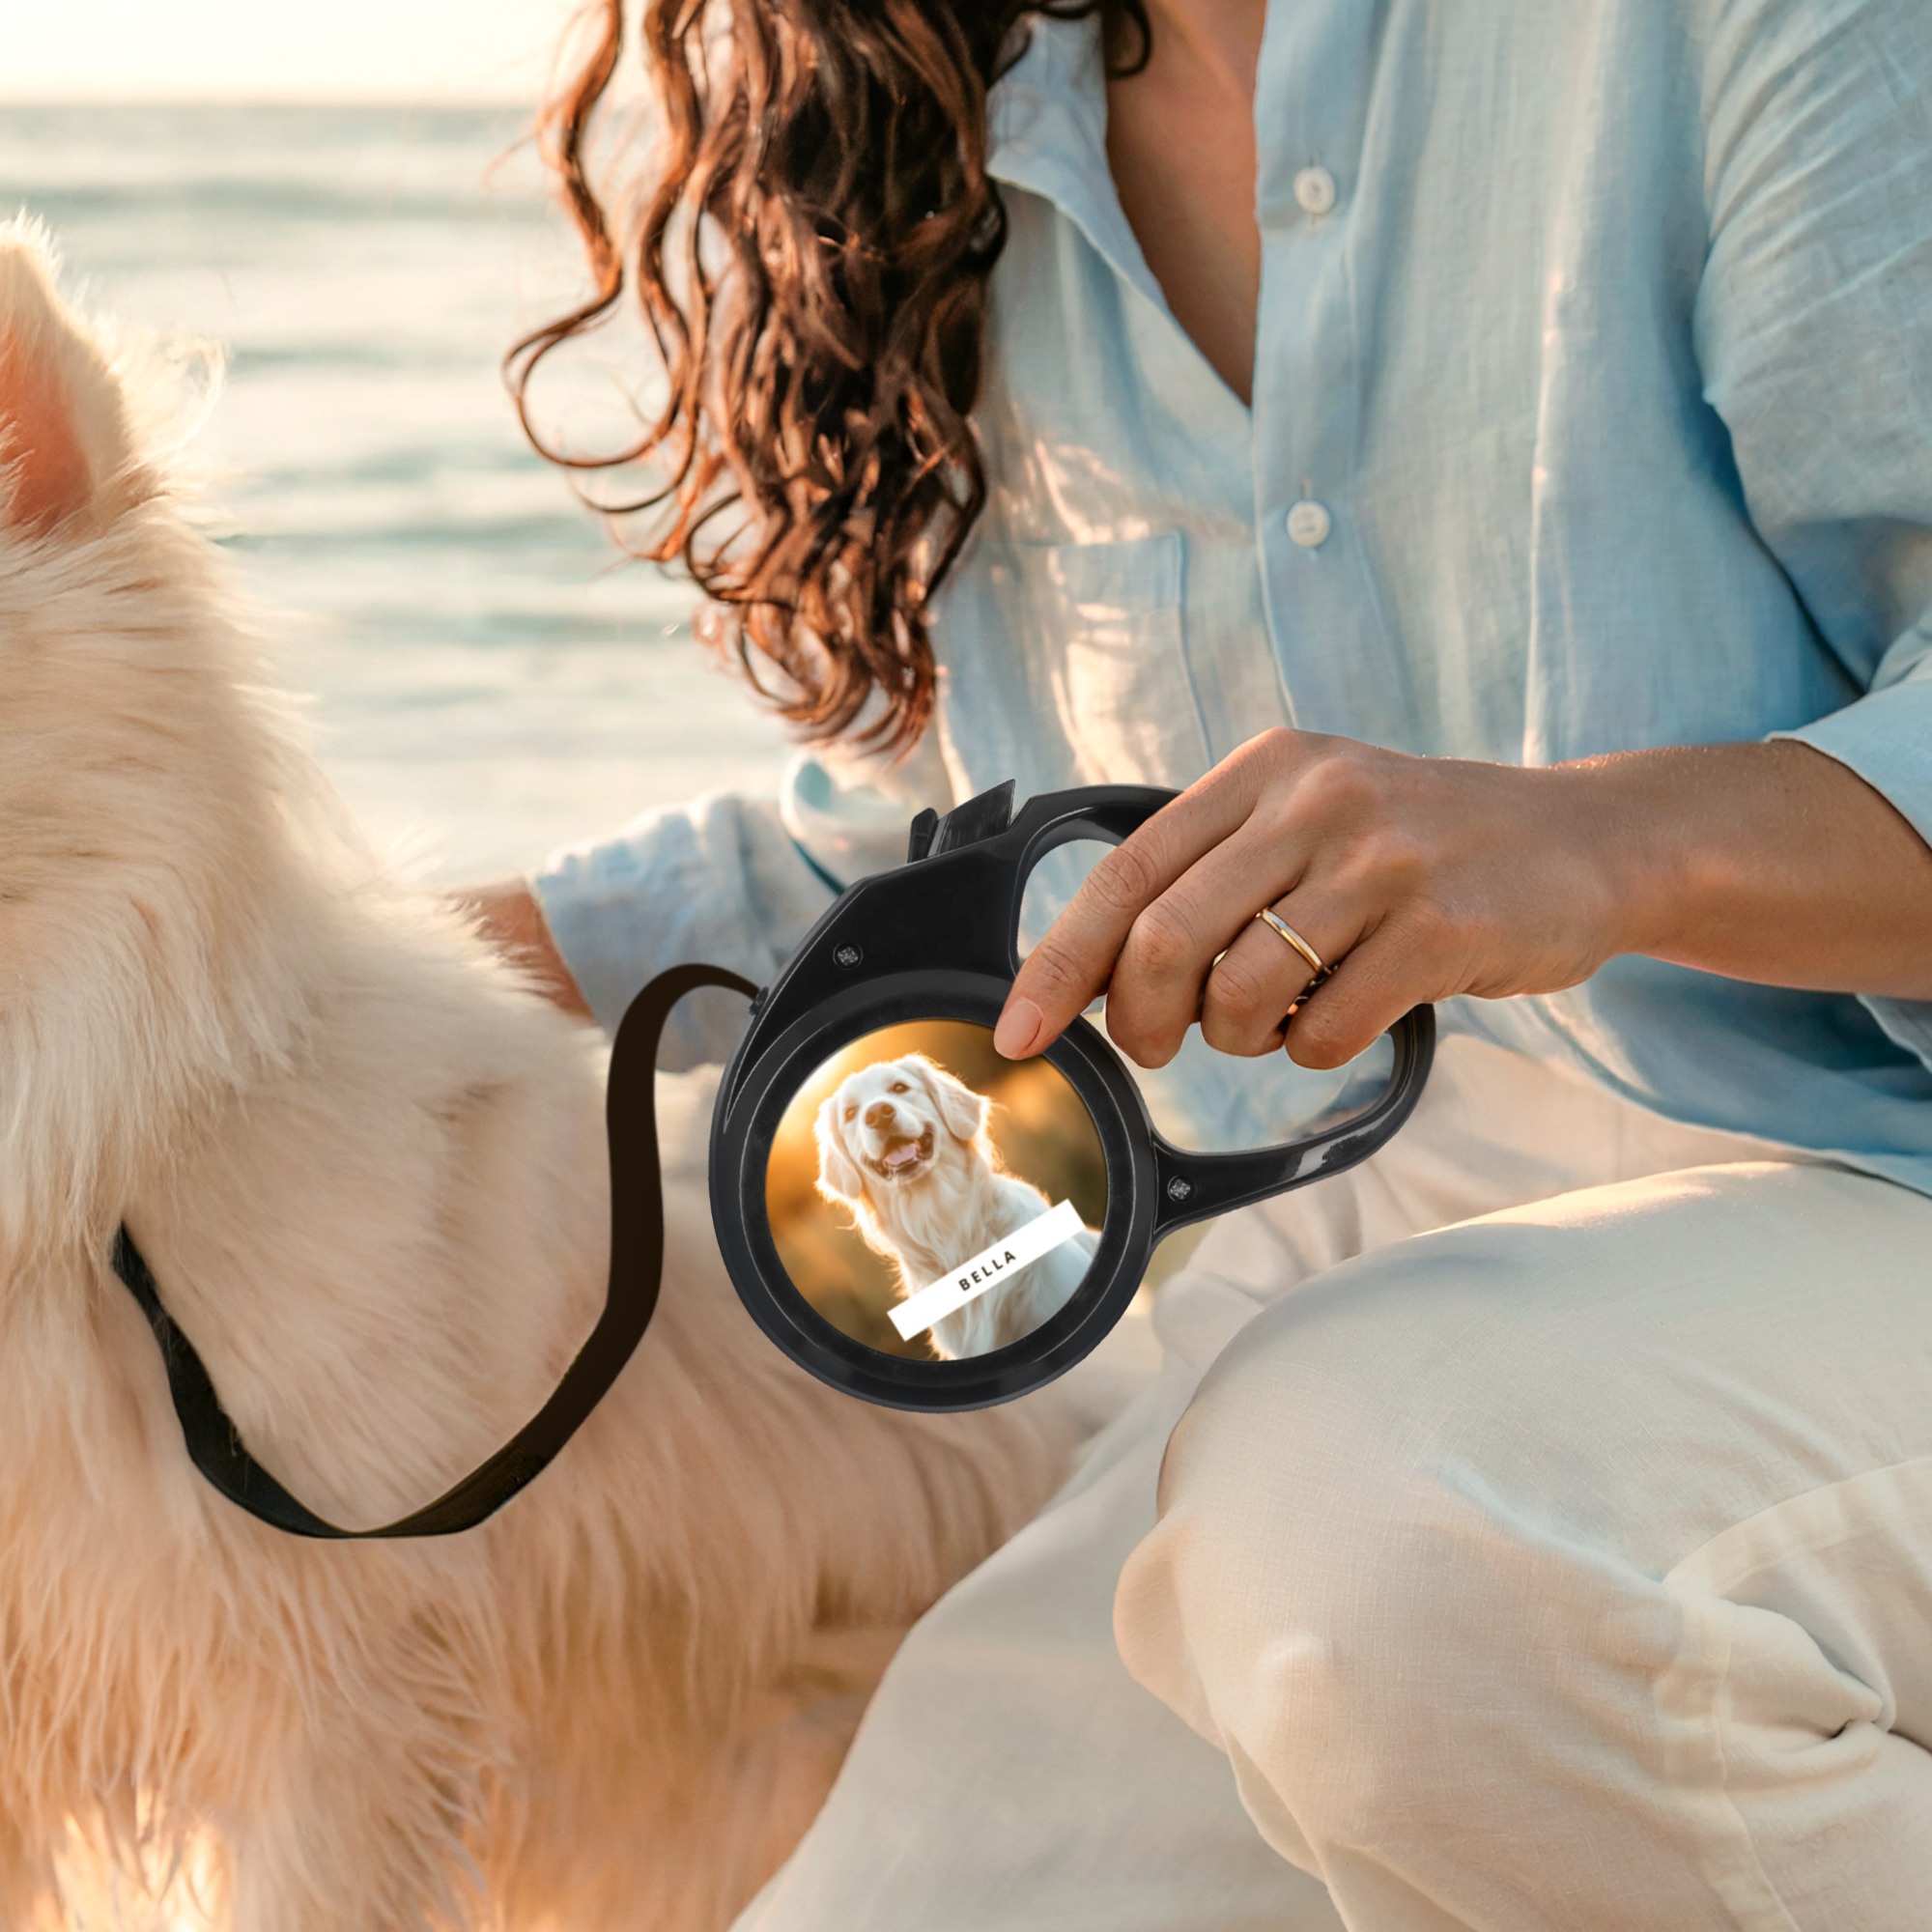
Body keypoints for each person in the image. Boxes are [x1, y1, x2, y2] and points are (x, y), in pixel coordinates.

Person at [467, 1, 1932, 1925]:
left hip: (1850, 1198)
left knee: (1383, 1534)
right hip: (1371, 1266)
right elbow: (943, 822)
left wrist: (1611, 837)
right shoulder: (939, 127)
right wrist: (296, 969)